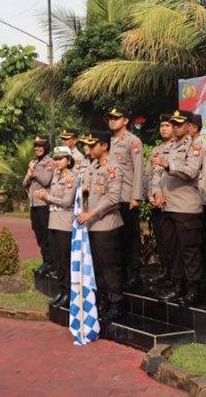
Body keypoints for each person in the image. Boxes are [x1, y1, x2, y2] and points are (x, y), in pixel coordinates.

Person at [153, 110, 206, 306]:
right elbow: (157, 172)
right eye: (173, 123)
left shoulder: (196, 145)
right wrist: (156, 191)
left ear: (188, 125)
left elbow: (191, 171)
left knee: (189, 250)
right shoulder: (169, 147)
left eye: (179, 123)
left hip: (186, 207)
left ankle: (193, 289)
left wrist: (168, 165)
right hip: (168, 205)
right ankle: (177, 286)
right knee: (173, 248)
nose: (175, 126)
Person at [76, 130, 125, 323]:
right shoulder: (94, 166)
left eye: (93, 144)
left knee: (109, 266)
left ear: (104, 146)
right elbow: (88, 188)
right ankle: (103, 300)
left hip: (106, 224)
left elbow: (113, 198)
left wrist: (92, 213)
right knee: (97, 266)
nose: (89, 148)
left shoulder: (113, 168)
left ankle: (116, 303)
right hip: (93, 226)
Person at [106, 105, 144, 290]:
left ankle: (134, 273)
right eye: (110, 118)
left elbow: (138, 170)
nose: (112, 121)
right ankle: (120, 273)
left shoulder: (133, 141)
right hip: (110, 197)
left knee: (130, 236)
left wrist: (136, 196)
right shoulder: (107, 141)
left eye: (116, 118)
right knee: (115, 238)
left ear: (126, 120)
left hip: (126, 195)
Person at [35, 146, 77, 308]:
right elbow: (53, 199)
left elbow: (67, 201)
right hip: (53, 221)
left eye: (61, 159)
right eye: (56, 159)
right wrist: (45, 198)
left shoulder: (71, 178)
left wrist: (48, 197)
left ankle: (69, 292)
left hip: (64, 223)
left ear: (69, 160)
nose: (58, 162)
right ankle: (61, 290)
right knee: (57, 260)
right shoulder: (56, 177)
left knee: (65, 260)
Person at [146, 114, 174, 285]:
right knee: (161, 239)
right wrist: (150, 195)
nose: (164, 128)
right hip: (156, 203)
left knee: (173, 242)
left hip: (171, 202)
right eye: (162, 125)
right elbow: (150, 176)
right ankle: (164, 270)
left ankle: (174, 274)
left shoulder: (180, 148)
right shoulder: (157, 150)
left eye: (167, 125)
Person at [189, 113, 206, 293]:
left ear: (194, 127)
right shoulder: (188, 146)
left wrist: (204, 201)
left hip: (202, 200)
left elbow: (205, 177)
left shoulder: (204, 147)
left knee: (204, 240)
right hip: (191, 201)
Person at [23, 134, 55, 276]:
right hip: (34, 204)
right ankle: (45, 260)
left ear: (46, 147)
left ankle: (51, 262)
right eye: (36, 146)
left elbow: (46, 180)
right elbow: (25, 183)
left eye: (41, 146)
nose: (38, 148)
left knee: (47, 235)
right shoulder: (34, 162)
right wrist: (30, 172)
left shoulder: (49, 163)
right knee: (39, 234)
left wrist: (33, 171)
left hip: (43, 204)